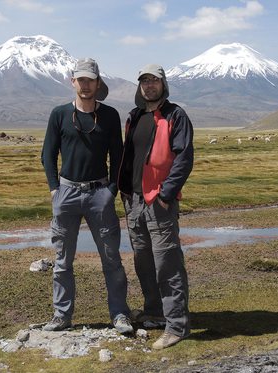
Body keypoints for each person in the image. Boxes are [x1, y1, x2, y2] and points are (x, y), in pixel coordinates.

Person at [40, 58, 133, 334]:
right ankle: (62, 315)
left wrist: (111, 190)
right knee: (62, 259)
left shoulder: (110, 115)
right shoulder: (59, 114)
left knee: (111, 258)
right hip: (66, 194)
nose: (85, 85)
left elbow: (119, 156)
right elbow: (48, 154)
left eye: (90, 80)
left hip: (99, 194)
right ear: (72, 81)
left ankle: (119, 315)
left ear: (97, 82)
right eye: (80, 80)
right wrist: (55, 189)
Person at [118, 64, 194, 349]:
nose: (149, 85)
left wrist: (166, 194)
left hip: (159, 200)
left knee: (168, 262)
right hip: (134, 201)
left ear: (164, 84)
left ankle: (177, 326)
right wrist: (125, 192)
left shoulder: (176, 115)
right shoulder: (135, 117)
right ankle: (154, 312)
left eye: (154, 80)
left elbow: (184, 158)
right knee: (144, 261)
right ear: (139, 87)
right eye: (144, 81)